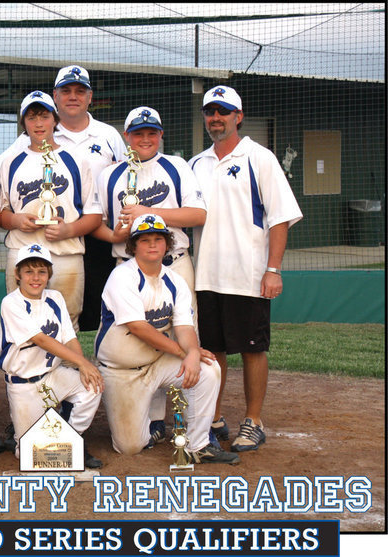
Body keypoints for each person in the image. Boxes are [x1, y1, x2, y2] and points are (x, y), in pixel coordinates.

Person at [189, 85, 302, 452]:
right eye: (210, 112)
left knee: (253, 349)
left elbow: (280, 218)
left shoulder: (260, 157)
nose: (215, 118)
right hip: (205, 275)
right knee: (212, 350)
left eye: (223, 111)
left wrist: (274, 269)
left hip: (247, 274)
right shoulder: (196, 164)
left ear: (238, 116)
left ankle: (253, 421)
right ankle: (214, 418)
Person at [93, 106, 207, 444]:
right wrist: (113, 235)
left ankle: (188, 422)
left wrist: (149, 211)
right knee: (143, 341)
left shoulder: (176, 166)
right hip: (129, 267)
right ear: (126, 137)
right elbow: (95, 221)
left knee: (183, 334)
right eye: (138, 133)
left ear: (160, 135)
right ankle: (154, 420)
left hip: (174, 262)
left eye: (151, 132)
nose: (145, 138)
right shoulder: (110, 174)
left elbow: (197, 213)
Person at [94, 214, 239, 465]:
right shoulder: (122, 276)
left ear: (167, 244)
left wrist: (192, 352)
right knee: (130, 447)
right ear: (133, 246)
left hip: (158, 364)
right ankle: (145, 420)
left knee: (207, 368)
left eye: (158, 239)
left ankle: (198, 444)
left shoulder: (175, 281)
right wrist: (184, 354)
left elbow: (184, 327)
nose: (152, 244)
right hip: (122, 372)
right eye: (145, 239)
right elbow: (139, 328)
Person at [0, 65, 124, 332]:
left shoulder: (79, 158)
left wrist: (69, 229)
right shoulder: (12, 159)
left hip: (69, 249)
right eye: (31, 118)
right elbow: (0, 208)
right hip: (22, 249)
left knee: (68, 321)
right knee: (20, 319)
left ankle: (66, 372)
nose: (38, 123)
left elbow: (94, 211)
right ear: (23, 124)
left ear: (54, 120)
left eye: (43, 117)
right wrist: (17, 220)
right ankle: (22, 373)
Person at [0, 243, 104, 468]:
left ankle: (71, 438)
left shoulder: (55, 298)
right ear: (17, 274)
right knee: (27, 454)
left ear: (49, 274)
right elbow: (42, 339)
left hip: (52, 376)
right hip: (23, 386)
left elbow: (69, 337)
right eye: (28, 271)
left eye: (41, 271)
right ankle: (21, 437)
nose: (35, 277)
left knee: (92, 385)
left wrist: (84, 367)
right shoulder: (11, 302)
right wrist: (82, 362)